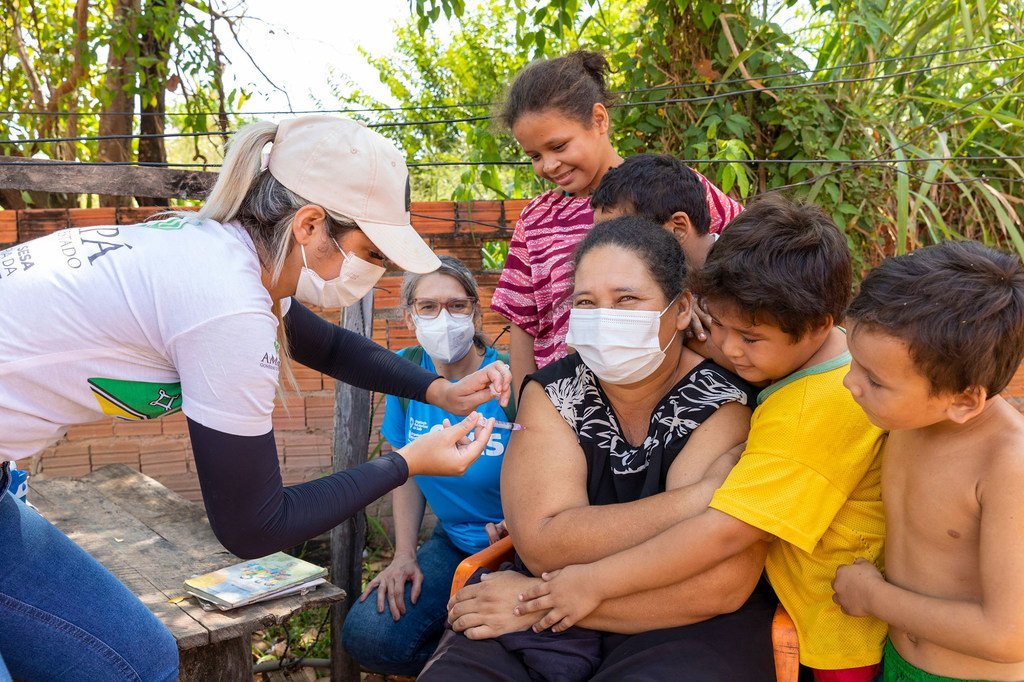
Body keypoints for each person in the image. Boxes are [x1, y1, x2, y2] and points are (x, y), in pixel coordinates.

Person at [0, 115, 511, 681]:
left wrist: (439, 390)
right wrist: (407, 463)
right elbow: (254, 527)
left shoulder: (220, 252)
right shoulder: (229, 304)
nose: (376, 269)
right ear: (310, 225)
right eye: (372, 251)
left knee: (138, 661)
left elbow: (330, 347)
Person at [516, 196, 888, 681]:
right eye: (719, 325)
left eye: (748, 339)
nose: (728, 349)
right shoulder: (800, 362)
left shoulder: (814, 411)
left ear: (817, 326)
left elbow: (727, 532)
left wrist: (586, 584)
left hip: (835, 636)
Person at [424, 216, 777, 681]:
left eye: (627, 298)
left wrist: (538, 605)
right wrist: (698, 501)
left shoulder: (722, 399)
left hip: (678, 624)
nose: (604, 316)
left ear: (683, 308)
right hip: (539, 602)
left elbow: (718, 584)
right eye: (586, 302)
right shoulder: (552, 393)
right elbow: (544, 544)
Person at [490, 50, 742, 395]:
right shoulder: (535, 220)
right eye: (535, 156)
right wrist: (528, 407)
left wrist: (700, 299)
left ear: (598, 120)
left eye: (558, 146)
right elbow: (524, 325)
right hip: (567, 398)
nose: (548, 165)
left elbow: (745, 261)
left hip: (674, 396)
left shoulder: (671, 185)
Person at [834, 241, 1024, 681]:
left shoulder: (1007, 467)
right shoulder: (906, 413)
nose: (849, 383)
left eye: (874, 380)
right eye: (854, 362)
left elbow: (1008, 634)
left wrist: (873, 597)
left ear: (963, 400)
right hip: (896, 661)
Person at [341, 255, 515, 676]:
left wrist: (523, 525)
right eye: (428, 306)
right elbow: (407, 473)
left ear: (475, 309)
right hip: (455, 540)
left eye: (457, 306)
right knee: (368, 635)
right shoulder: (405, 375)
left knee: (506, 639)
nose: (444, 317)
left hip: (519, 545)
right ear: (409, 313)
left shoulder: (508, 376)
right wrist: (404, 555)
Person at [590, 153, 717, 271]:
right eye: (599, 236)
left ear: (678, 229)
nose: (603, 250)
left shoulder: (734, 283)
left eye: (618, 237)